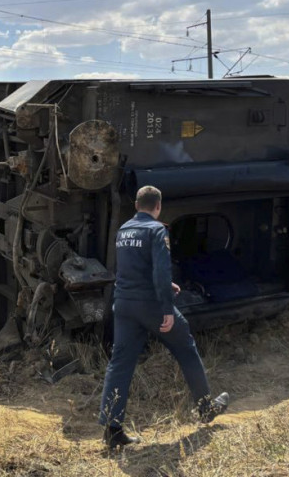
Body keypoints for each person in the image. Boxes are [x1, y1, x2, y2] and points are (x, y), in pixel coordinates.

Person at [98, 185, 228, 448]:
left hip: (123, 304)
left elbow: (131, 268)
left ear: (136, 206)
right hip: (150, 305)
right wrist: (167, 308)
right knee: (186, 348)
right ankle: (205, 409)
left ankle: (112, 430)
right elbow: (160, 269)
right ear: (158, 207)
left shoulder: (123, 230)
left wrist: (165, 285)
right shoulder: (157, 230)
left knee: (120, 364)